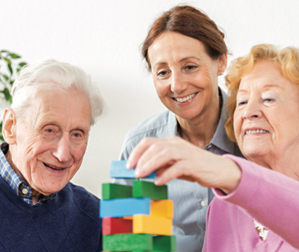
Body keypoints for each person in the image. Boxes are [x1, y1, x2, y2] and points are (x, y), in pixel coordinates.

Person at [126, 44, 299, 251]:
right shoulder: (222, 206)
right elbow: (121, 238)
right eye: (242, 102)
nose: (249, 112)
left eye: (269, 99)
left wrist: (229, 173)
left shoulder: (228, 180)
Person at [115, 5, 243, 251]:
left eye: (190, 67)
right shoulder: (138, 145)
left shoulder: (253, 133)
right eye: (163, 72)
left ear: (221, 61)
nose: (177, 85)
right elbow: (124, 241)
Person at [0, 59, 103, 251]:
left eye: (77, 134)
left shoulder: (96, 217)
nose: (63, 155)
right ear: (10, 127)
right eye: (49, 130)